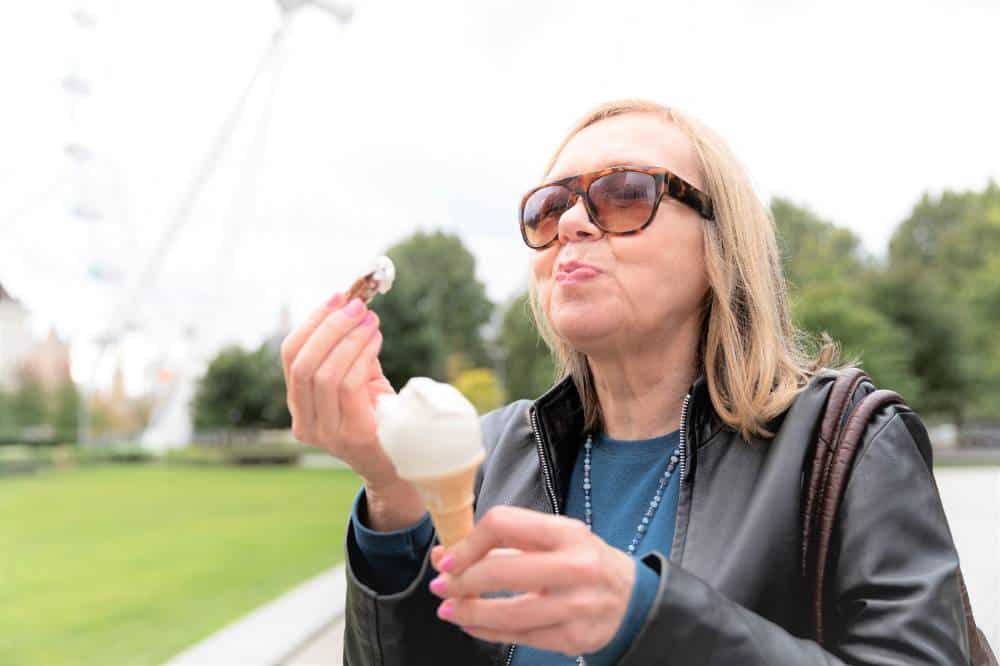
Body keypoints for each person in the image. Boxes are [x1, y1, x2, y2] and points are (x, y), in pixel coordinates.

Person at [281, 99, 970, 665]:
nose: (573, 223)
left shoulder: (844, 442)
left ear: (719, 246)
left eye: (623, 194)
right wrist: (392, 494)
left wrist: (648, 616)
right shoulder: (490, 455)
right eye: (549, 208)